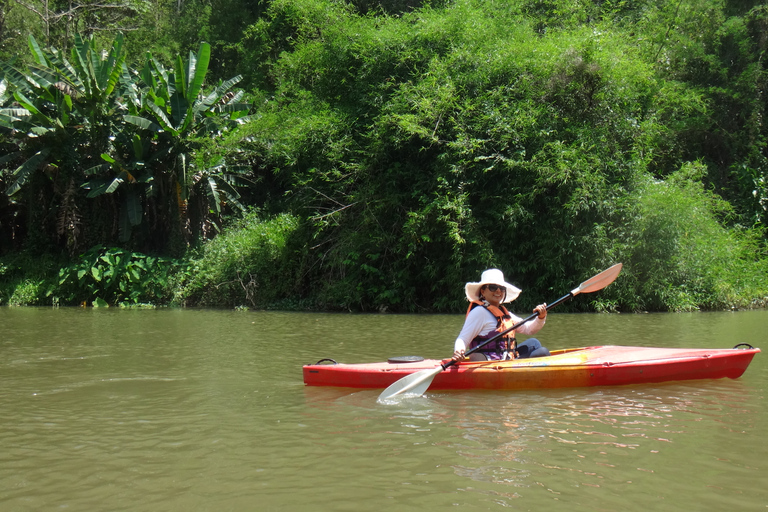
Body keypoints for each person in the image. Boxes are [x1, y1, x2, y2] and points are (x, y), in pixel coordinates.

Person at [452, 268, 550, 362]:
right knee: (543, 352)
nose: (498, 291)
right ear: (483, 291)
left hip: (506, 360)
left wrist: (540, 317)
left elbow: (529, 329)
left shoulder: (505, 313)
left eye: (501, 288)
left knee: (534, 343)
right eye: (493, 287)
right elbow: (463, 338)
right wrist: (459, 351)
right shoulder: (479, 312)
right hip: (491, 365)